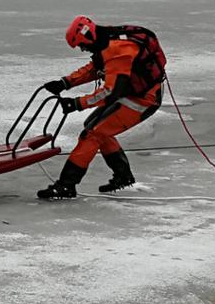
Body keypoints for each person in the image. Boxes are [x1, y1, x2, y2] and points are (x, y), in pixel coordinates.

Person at [35, 16, 168, 200]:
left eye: (83, 46)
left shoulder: (118, 49)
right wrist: (65, 83)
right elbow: (96, 67)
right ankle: (123, 176)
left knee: (92, 133)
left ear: (88, 38)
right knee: (93, 125)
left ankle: (66, 185)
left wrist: (77, 103)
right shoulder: (106, 38)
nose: (83, 49)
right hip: (132, 94)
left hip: (143, 100)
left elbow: (110, 92)